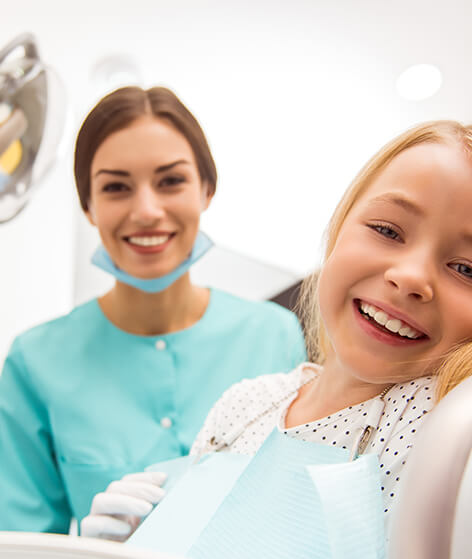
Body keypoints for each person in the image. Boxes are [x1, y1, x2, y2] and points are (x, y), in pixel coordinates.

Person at [81, 120, 472, 552]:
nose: (409, 277)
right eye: (387, 230)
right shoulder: (243, 404)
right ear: (340, 229)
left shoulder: (437, 428)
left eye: (468, 269)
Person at [0, 86, 306, 534]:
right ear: (89, 206)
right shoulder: (36, 362)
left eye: (170, 181)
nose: (146, 210)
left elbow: (299, 514)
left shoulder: (275, 336)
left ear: (206, 189)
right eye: (116, 187)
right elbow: (20, 542)